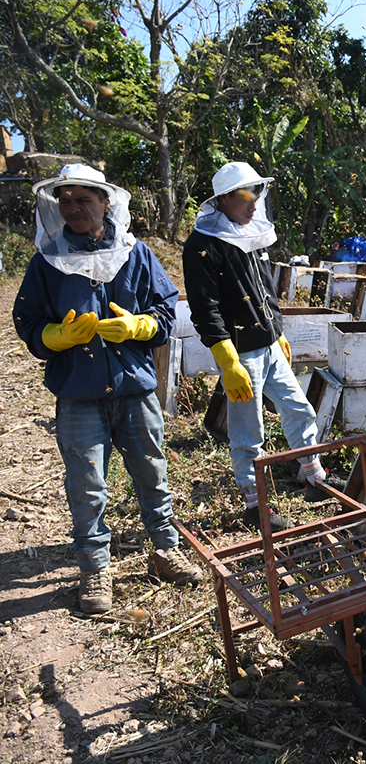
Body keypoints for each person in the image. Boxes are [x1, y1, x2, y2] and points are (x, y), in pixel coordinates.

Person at [13, 164, 203, 614]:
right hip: (78, 392)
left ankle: (164, 550)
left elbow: (165, 311)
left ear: (105, 203)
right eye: (65, 200)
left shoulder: (136, 254)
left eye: (83, 199)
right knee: (87, 484)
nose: (73, 208)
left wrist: (140, 326)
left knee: (152, 472)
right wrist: (53, 336)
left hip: (133, 387)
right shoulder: (47, 262)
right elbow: (28, 320)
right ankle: (95, 567)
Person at [183, 162, 342, 532]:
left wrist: (279, 330)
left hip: (269, 345)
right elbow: (204, 308)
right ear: (222, 200)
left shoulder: (251, 234)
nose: (253, 202)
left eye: (256, 192)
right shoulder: (203, 245)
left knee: (299, 409)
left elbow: (265, 290)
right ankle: (255, 505)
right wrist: (226, 359)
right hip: (241, 353)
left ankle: (313, 477)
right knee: (248, 432)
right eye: (243, 195)